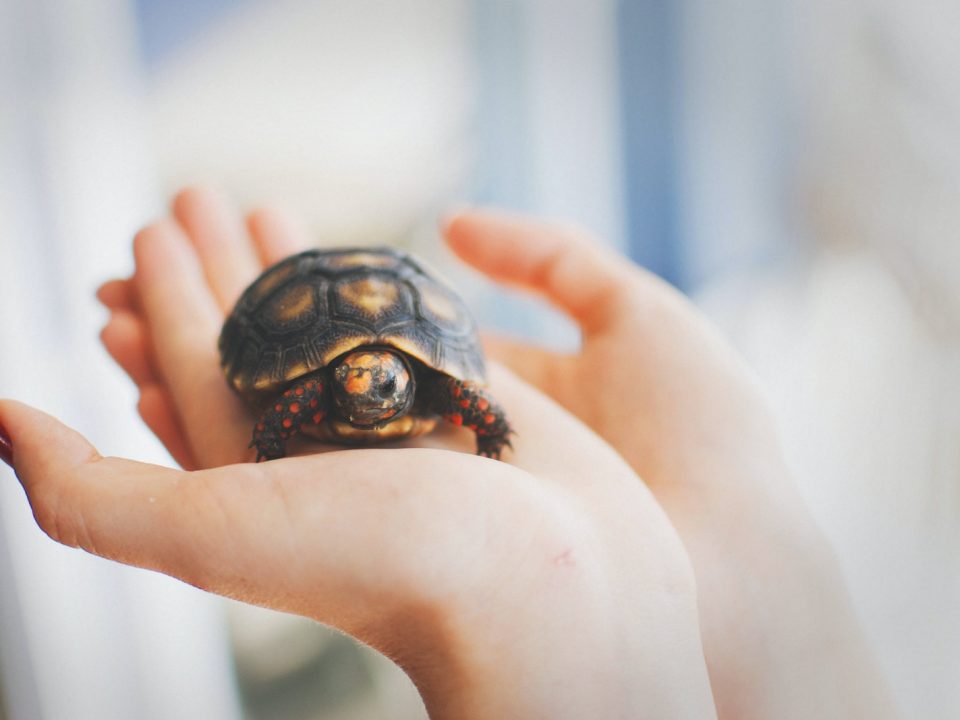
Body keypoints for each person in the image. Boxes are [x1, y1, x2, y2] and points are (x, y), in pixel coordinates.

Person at [0, 187, 898, 719]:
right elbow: (305, 400)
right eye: (352, 384)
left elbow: (471, 401)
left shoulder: (431, 388)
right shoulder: (328, 387)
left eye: (379, 383)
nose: (366, 388)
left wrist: (762, 586)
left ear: (405, 385)